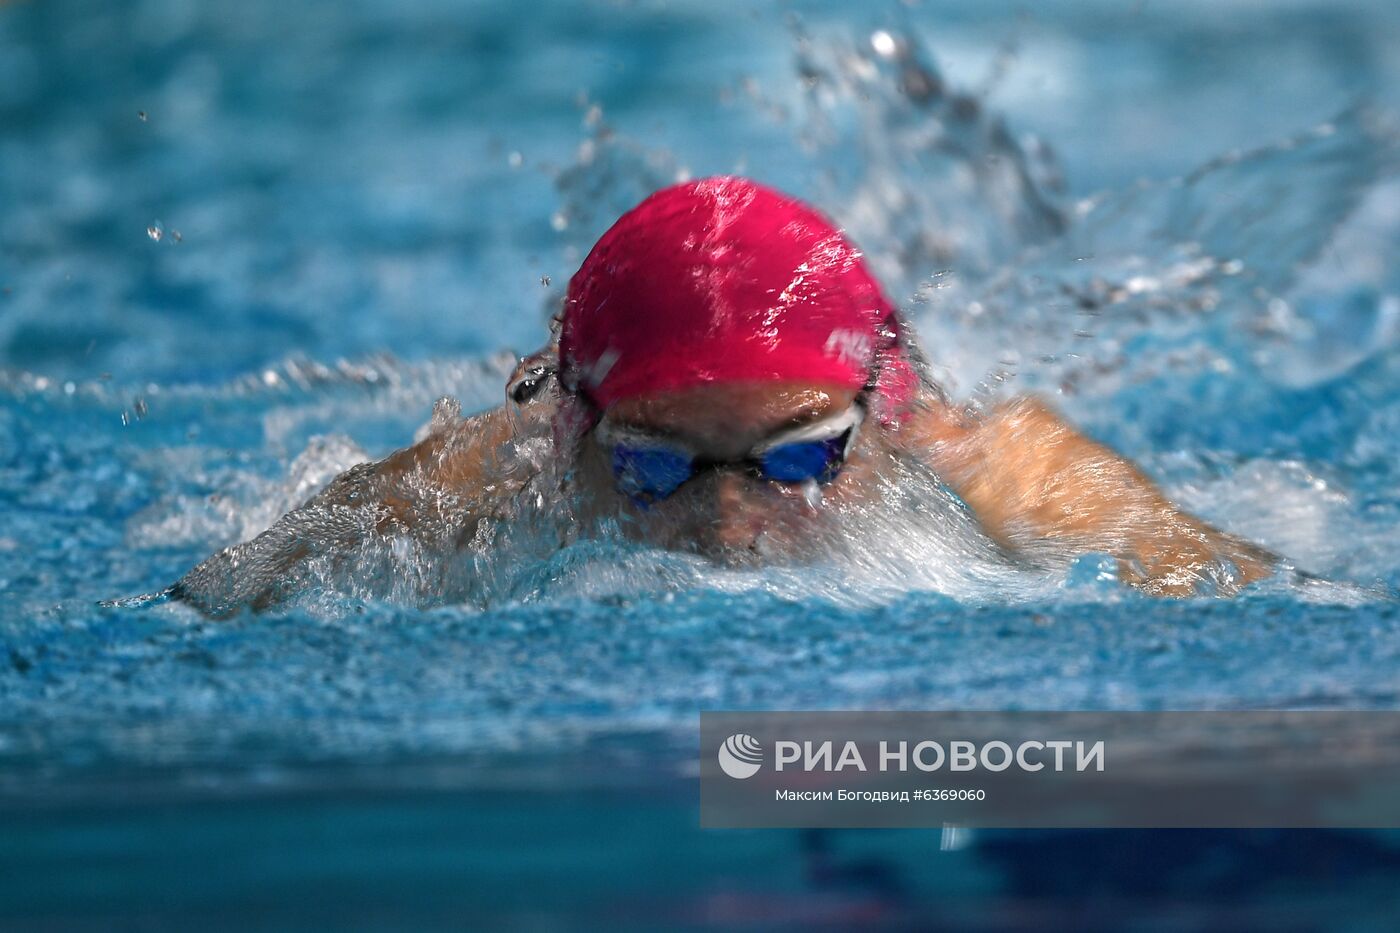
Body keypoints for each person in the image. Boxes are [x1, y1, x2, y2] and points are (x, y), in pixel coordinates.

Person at [172, 176, 1273, 615]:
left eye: (800, 459)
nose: (728, 526)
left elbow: (1267, 612)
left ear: (877, 417)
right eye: (653, 466)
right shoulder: (467, 487)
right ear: (570, 432)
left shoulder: (1011, 474)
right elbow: (193, 611)